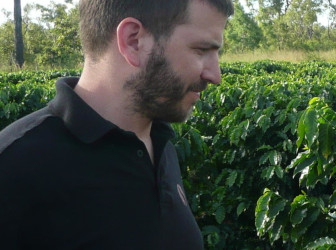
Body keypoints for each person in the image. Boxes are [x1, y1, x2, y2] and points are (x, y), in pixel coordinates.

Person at [0, 0, 233, 249]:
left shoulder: (161, 144)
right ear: (133, 41)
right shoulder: (14, 166)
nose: (215, 75)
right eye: (201, 50)